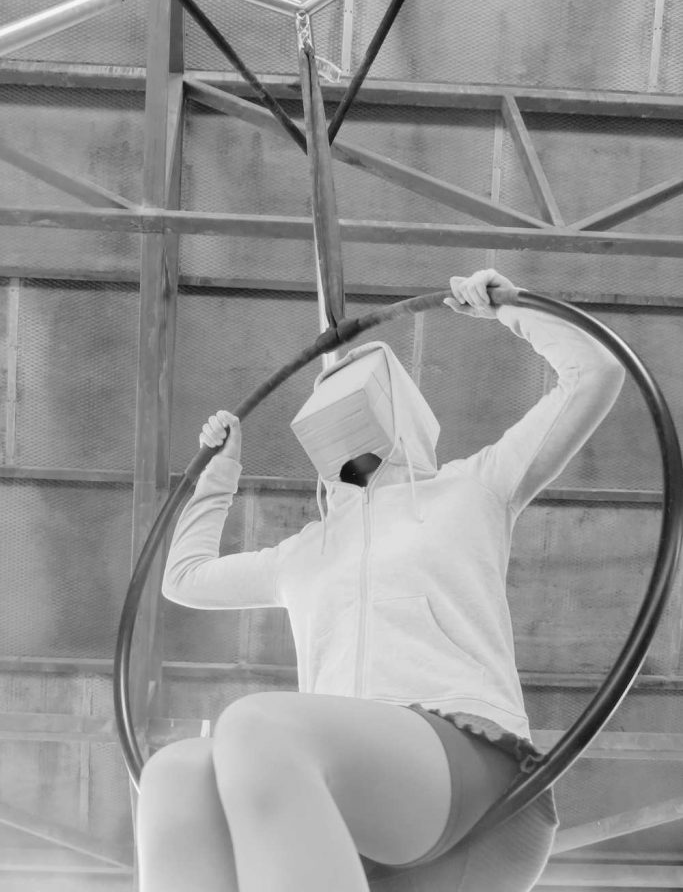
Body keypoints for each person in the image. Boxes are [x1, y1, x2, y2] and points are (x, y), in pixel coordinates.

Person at [136, 268, 625, 892]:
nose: (337, 396)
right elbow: (184, 577)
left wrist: (507, 307)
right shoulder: (304, 552)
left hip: (476, 782)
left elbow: (595, 373)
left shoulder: (473, 488)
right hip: (360, 821)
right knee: (175, 774)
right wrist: (218, 476)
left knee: (258, 728)